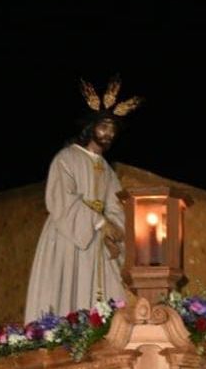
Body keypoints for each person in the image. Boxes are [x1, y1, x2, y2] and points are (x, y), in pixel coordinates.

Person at [23, 78, 136, 321]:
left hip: (100, 241)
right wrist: (98, 223)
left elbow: (116, 204)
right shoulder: (66, 159)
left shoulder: (106, 169)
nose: (109, 134)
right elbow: (61, 199)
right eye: (104, 127)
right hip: (70, 235)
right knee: (69, 290)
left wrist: (114, 231)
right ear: (91, 127)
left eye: (113, 130)